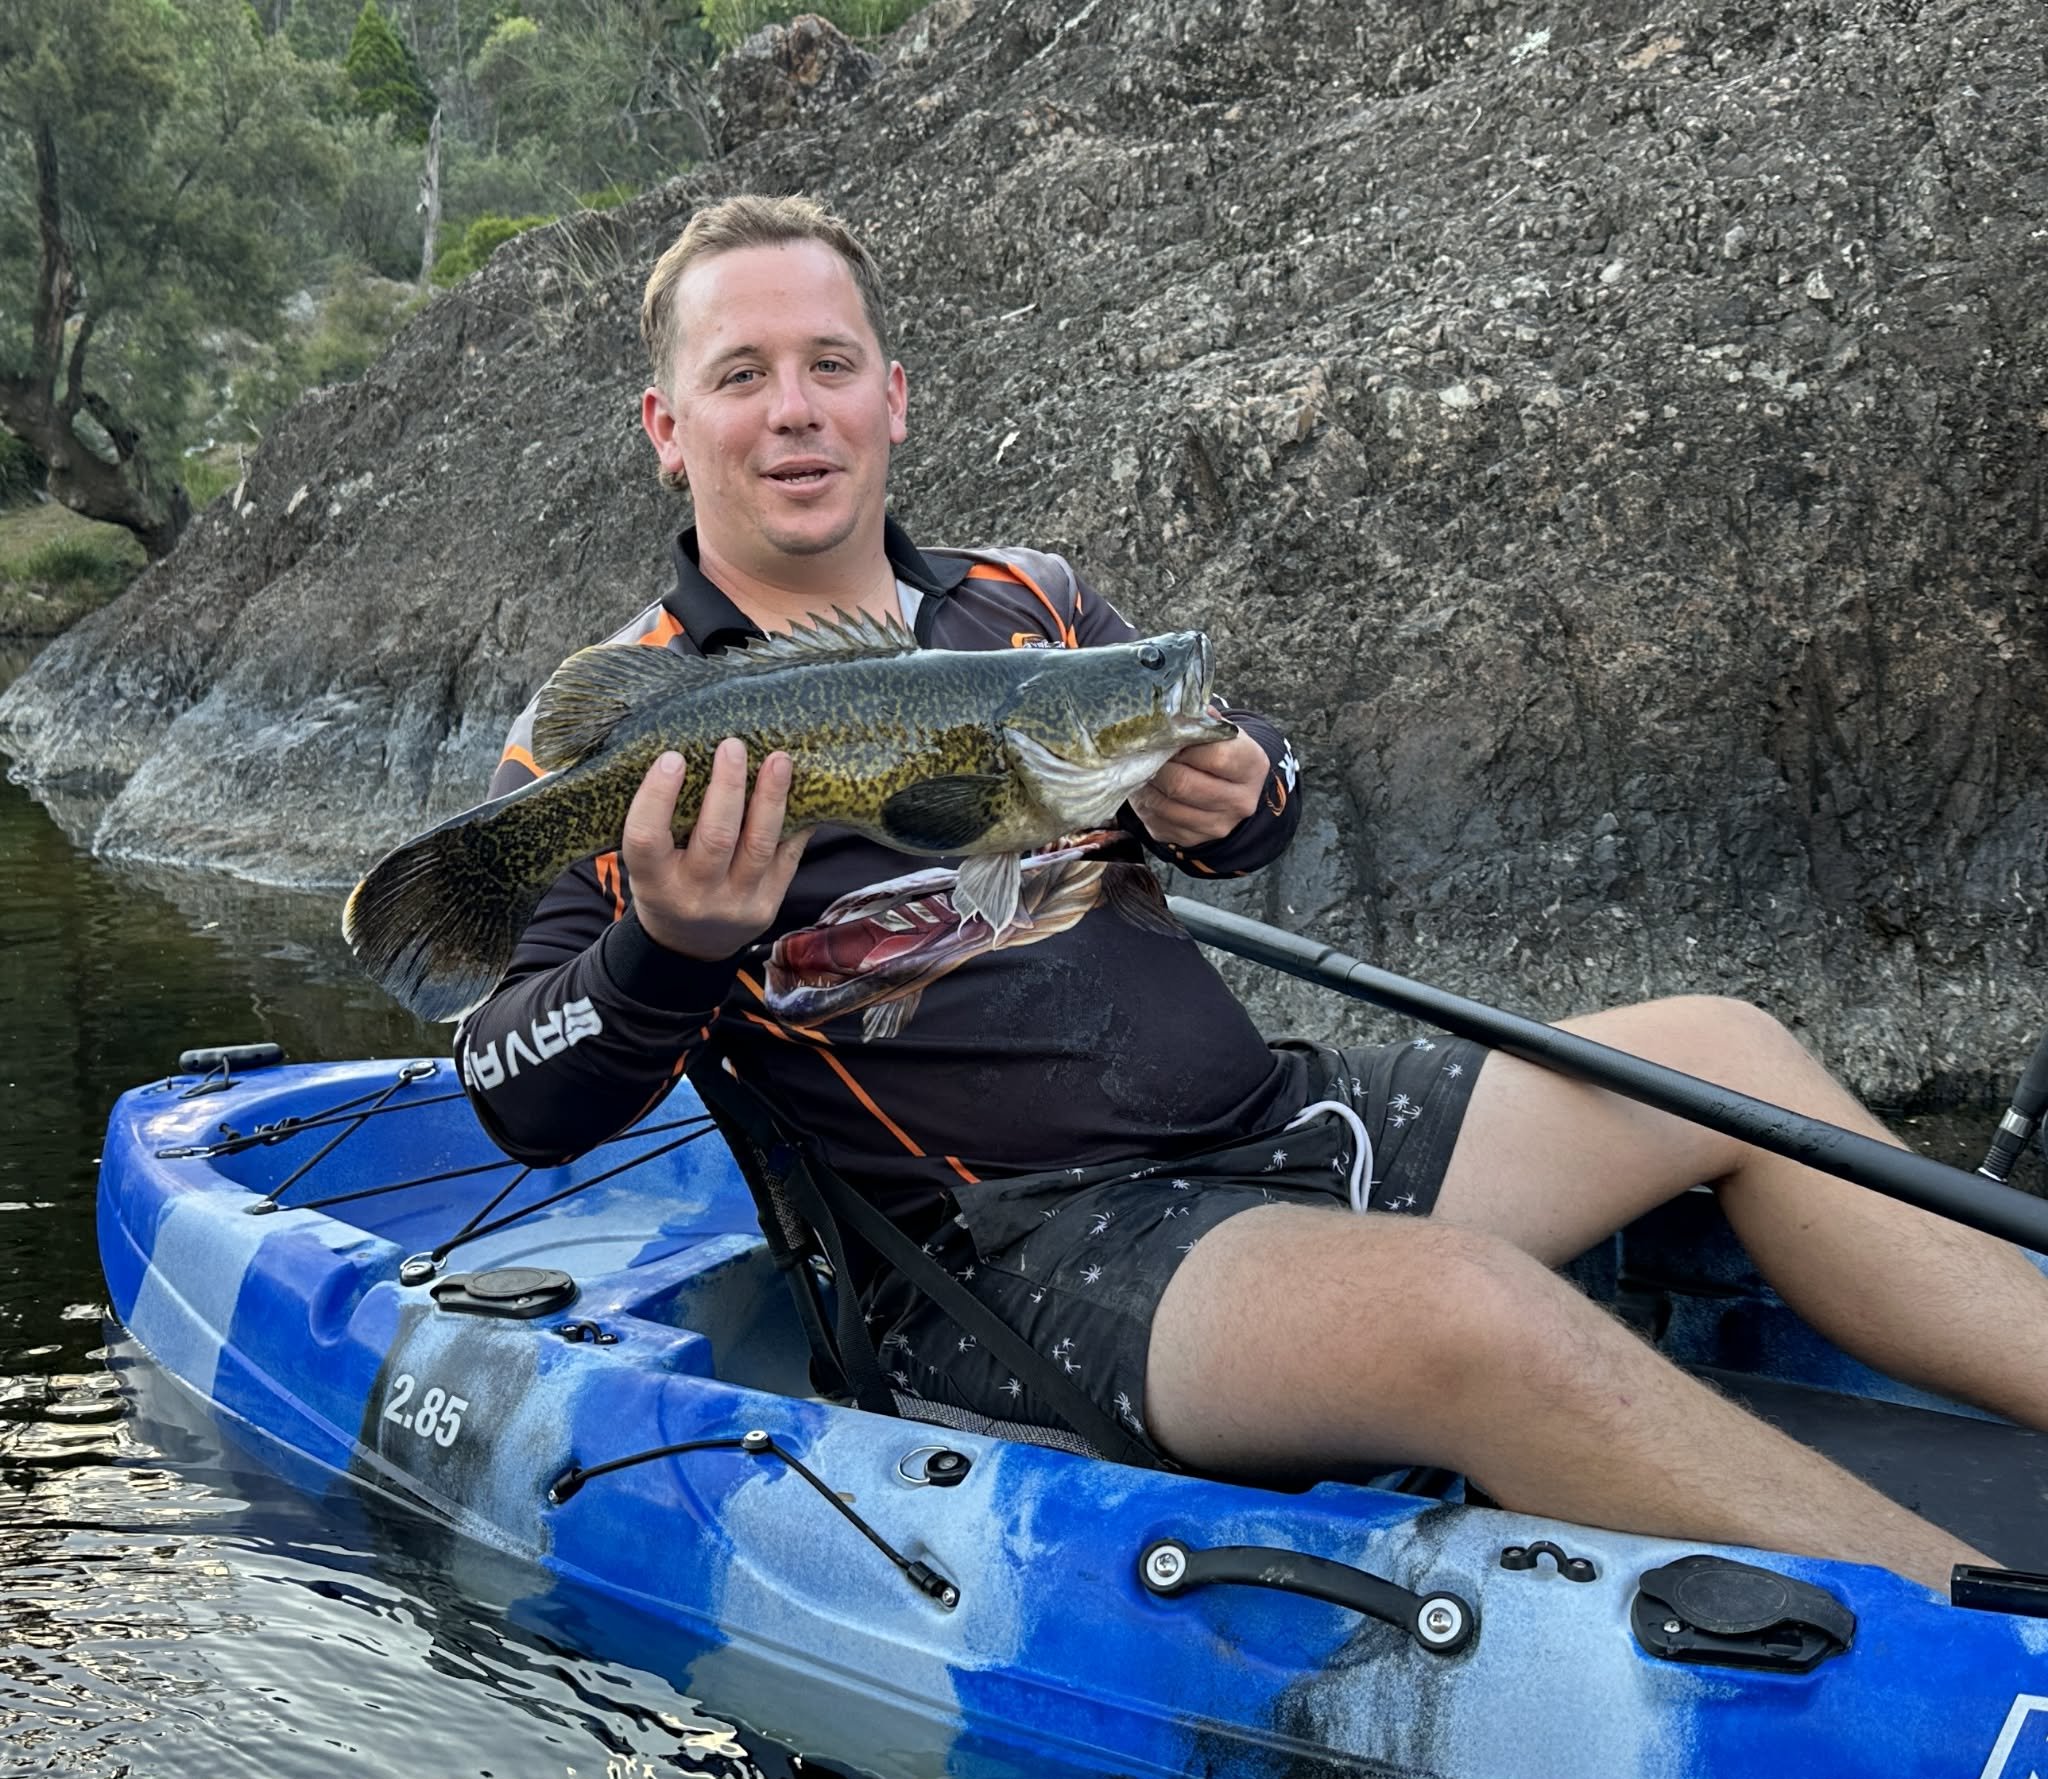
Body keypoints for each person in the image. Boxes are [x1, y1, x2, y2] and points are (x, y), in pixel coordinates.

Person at [457, 194, 2044, 1593]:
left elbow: (1242, 781)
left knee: (1728, 1055)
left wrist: (1234, 791)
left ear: (895, 397)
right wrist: (668, 948)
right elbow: (514, 1090)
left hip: (1268, 1129)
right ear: (667, 424)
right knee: (1471, 1317)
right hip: (1022, 1260)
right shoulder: (625, 717)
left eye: (829, 364)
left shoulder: (1031, 607)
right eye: (741, 375)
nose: (794, 410)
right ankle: (1985, 1637)